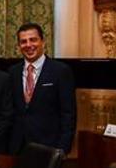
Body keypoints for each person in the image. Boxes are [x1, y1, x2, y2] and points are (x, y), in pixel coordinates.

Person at [9, 23, 76, 154]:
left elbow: (68, 114)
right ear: (19, 46)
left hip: (49, 147)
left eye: (33, 40)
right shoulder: (12, 72)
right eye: (23, 42)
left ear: (43, 42)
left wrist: (62, 149)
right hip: (17, 147)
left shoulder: (60, 71)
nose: (28, 45)